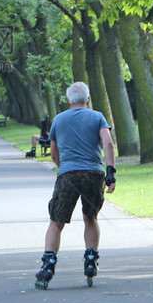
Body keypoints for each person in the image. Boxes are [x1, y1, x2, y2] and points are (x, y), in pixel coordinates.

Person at [34, 81, 116, 290]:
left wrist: (65, 169)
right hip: (93, 174)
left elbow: (53, 153)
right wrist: (110, 172)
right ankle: (91, 260)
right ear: (87, 99)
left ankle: (48, 265)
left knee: (56, 221)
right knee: (90, 217)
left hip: (68, 174)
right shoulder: (97, 117)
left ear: (69, 100)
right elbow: (107, 143)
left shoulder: (58, 120)